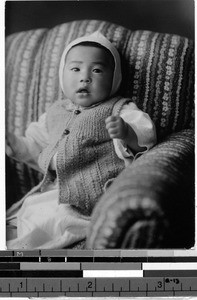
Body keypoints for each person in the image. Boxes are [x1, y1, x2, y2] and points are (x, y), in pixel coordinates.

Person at [6, 31, 157, 249]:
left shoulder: (119, 108)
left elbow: (146, 133)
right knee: (29, 211)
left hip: (89, 198)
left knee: (53, 221)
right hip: (53, 192)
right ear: (62, 75)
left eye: (97, 70)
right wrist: (14, 145)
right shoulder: (55, 112)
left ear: (114, 79)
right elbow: (37, 144)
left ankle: (21, 249)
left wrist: (127, 133)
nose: (85, 77)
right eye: (75, 69)